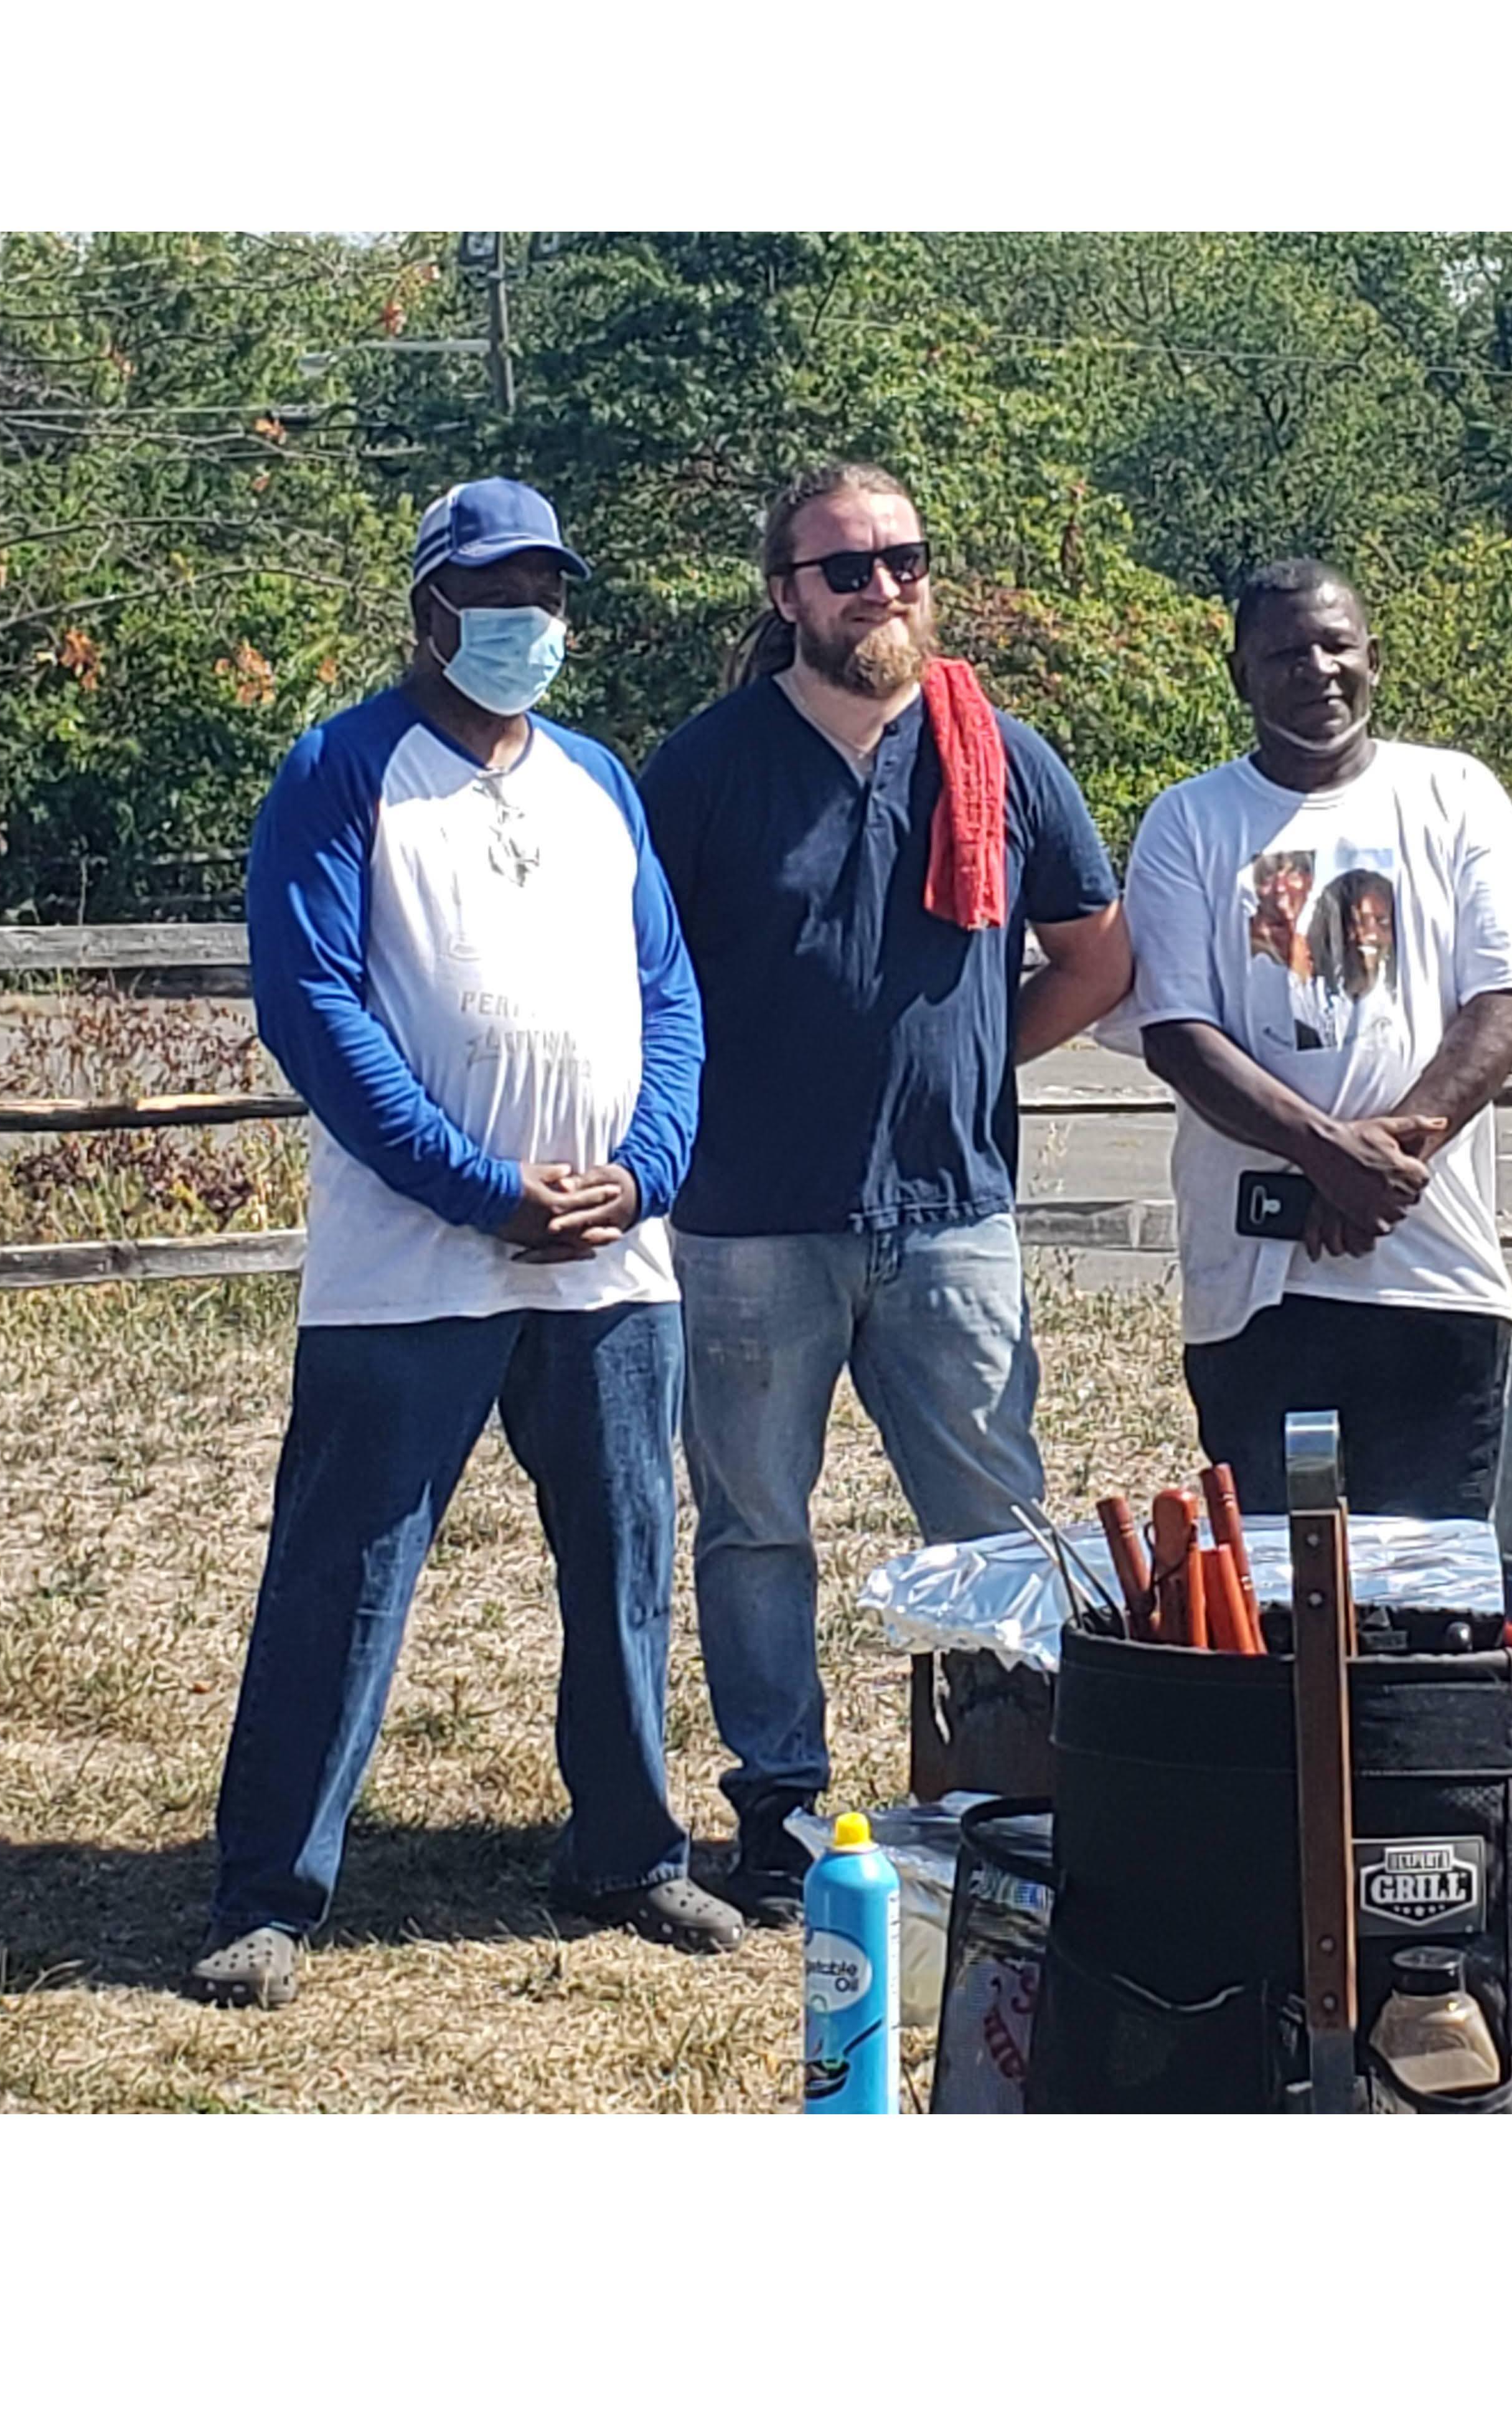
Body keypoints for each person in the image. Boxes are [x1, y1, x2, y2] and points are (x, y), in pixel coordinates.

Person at [193, 476, 738, 2011]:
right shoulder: (340, 771)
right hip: (414, 1259)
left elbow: (671, 997)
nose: (529, 622)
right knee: (347, 1567)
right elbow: (317, 1011)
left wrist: (645, 1173)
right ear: (428, 606)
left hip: (612, 1264)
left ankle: (627, 1851)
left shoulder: (597, 784)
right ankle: (270, 1892)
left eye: (549, 593)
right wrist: (477, 1184)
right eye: (497, 594)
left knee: (627, 1553)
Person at [638, 459, 1132, 1925]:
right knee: (753, 1526)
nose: (881, 590)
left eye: (903, 561)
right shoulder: (710, 765)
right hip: (747, 1220)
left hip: (952, 1214)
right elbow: (644, 979)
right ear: (785, 593)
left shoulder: (1001, 756)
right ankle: (780, 1809)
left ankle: (1002, 1797)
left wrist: (978, 1066)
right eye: (845, 568)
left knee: (991, 1521)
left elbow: (1097, 961)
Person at [1120, 557, 1512, 1520]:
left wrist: (1388, 1163)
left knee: (1434, 1595)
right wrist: (1328, 1158)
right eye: (1283, 654)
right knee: (1280, 1595)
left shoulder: (1455, 794)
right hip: (1256, 1288)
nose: (1315, 670)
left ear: (1374, 659)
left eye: (1335, 647)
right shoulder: (1190, 822)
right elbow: (1179, 1035)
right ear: (1239, 673)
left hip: (1431, 1273)